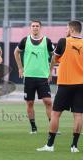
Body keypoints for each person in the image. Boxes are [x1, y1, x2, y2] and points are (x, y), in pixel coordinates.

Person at [37, 20, 83, 153]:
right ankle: (74, 146)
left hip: (66, 83)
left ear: (72, 30)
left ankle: (50, 145)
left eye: (67, 28)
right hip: (81, 84)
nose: (66, 30)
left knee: (55, 113)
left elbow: (55, 58)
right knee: (78, 115)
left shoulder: (64, 41)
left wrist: (50, 71)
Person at [14, 20, 54, 134]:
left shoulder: (47, 41)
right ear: (30, 28)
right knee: (30, 103)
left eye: (37, 26)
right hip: (29, 77)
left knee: (48, 101)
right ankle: (33, 128)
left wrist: (50, 71)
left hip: (42, 77)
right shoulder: (25, 40)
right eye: (33, 26)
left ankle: (53, 127)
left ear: (40, 28)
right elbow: (16, 52)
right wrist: (20, 68)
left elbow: (54, 56)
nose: (35, 28)